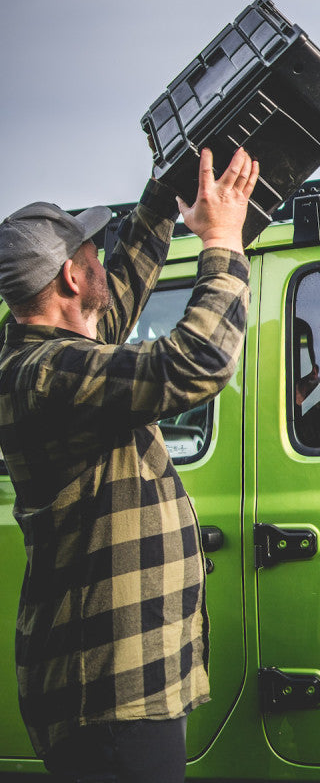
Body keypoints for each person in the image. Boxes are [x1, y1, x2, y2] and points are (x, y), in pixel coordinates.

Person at [0, 145, 259, 782]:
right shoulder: (46, 375)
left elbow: (119, 295)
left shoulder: (52, 350)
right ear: (68, 278)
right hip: (107, 692)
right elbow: (192, 363)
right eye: (92, 255)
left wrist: (165, 195)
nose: (102, 263)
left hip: (117, 679)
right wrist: (222, 241)